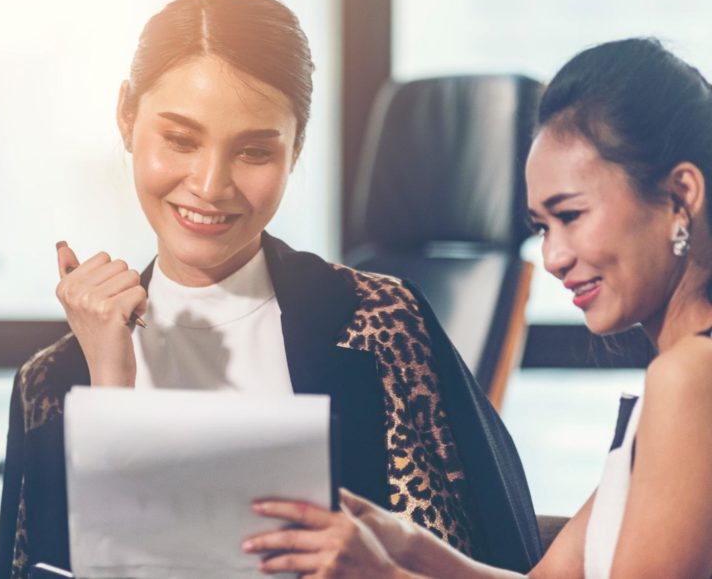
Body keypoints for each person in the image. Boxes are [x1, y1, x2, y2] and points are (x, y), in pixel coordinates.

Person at [0, 0, 540, 578]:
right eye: (180, 140)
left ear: (296, 148)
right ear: (127, 117)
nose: (210, 184)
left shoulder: (379, 324)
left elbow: (455, 560)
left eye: (253, 152)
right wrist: (108, 385)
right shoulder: (53, 382)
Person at [245, 37, 712, 579]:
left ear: (681, 195)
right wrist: (406, 544)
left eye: (572, 214)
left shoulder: (689, 378)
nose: (554, 257)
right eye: (541, 227)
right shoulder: (681, 379)